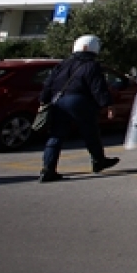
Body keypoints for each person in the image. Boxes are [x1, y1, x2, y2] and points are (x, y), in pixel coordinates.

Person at [37, 35, 119, 182]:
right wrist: (108, 105)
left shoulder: (63, 64)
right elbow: (98, 88)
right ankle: (98, 161)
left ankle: (47, 169)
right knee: (91, 133)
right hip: (80, 102)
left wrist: (43, 101)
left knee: (56, 135)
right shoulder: (92, 66)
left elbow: (48, 83)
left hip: (58, 101)